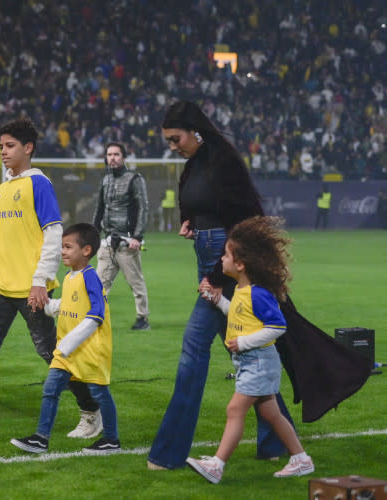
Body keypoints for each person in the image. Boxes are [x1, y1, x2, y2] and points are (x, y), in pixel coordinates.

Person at [147, 100, 295, 470]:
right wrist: (189, 221)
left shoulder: (224, 162)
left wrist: (216, 277)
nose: (173, 146)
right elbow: (204, 203)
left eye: (176, 138)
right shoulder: (199, 163)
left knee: (193, 348)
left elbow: (240, 223)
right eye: (168, 141)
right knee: (248, 356)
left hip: (227, 268)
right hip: (213, 260)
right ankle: (276, 441)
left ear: (196, 131)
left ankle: (168, 454)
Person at [0, 118, 100, 445]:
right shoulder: (2, 190)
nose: (3, 152)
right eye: (1, 147)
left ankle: (91, 410)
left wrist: (40, 281)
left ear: (28, 148)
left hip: (31, 288)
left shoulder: (39, 184)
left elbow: (54, 234)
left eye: (10, 146)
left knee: (50, 350)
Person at [187, 216, 314, 483]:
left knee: (235, 410)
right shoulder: (244, 292)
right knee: (271, 413)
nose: (221, 259)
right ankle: (301, 459)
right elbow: (237, 314)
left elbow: (278, 327)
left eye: (226, 255)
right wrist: (217, 299)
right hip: (250, 362)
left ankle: (217, 465)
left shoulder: (258, 293)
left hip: (258, 361)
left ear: (241, 264)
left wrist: (244, 343)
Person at [10, 223, 120, 455]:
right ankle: (41, 438)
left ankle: (111, 439)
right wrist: (47, 305)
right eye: (62, 247)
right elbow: (68, 306)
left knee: (100, 393)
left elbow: (97, 314)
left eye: (68, 247)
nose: (63, 252)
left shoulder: (91, 277)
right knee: (50, 389)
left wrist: (69, 342)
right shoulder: (70, 277)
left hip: (90, 350)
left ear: (87, 250)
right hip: (67, 352)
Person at [92, 142, 150, 330]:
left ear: (123, 157)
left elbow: (143, 208)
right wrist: (92, 235)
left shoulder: (135, 179)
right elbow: (99, 209)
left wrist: (137, 237)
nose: (113, 158)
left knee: (136, 283)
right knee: (99, 284)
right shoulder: (105, 180)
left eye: (116, 154)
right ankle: (96, 317)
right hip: (108, 242)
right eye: (109, 154)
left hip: (127, 242)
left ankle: (143, 319)